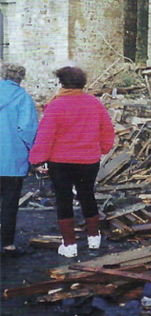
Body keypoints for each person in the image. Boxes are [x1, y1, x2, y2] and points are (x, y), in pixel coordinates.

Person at [29, 66, 115, 258]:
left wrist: (37, 159)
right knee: (87, 195)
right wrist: (103, 149)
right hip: (88, 160)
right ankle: (94, 237)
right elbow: (107, 130)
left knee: (63, 199)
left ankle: (69, 245)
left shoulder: (56, 106)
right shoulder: (94, 103)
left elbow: (45, 136)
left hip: (60, 162)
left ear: (62, 83)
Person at [0, 63, 38, 257]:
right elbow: (27, 130)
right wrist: (35, 157)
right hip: (12, 161)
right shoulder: (23, 98)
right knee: (9, 203)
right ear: (20, 78)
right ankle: (7, 245)